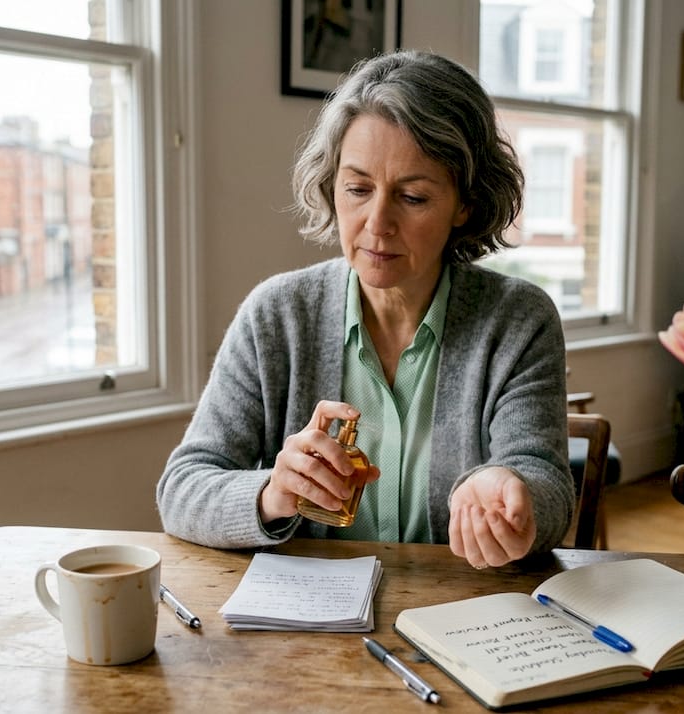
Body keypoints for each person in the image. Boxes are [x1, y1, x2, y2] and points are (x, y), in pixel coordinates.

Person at [156, 50, 572, 570]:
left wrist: (516, 494)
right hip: (306, 623)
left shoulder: (518, 321)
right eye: (357, 189)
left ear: (465, 204)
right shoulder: (276, 316)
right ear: (332, 185)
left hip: (460, 621)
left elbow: (549, 486)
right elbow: (183, 487)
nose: (377, 223)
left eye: (414, 197)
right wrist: (272, 493)